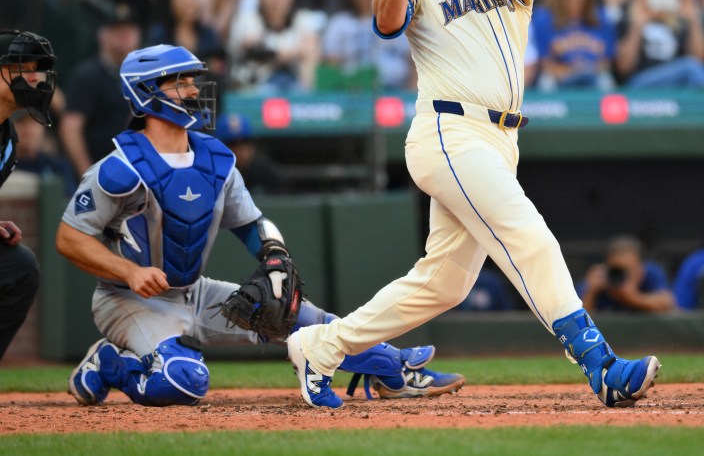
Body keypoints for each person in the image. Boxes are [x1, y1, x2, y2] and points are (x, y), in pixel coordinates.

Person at [284, 0, 661, 410]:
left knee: (445, 283)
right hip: (449, 132)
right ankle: (601, 366)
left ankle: (321, 347)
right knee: (528, 235)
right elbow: (386, 24)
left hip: (501, 139)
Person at [58, 43, 464, 406]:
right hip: (129, 301)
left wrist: (273, 256)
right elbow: (70, 238)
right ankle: (109, 363)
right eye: (178, 83)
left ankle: (397, 372)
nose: (194, 90)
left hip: (194, 291)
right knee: (183, 382)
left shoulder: (215, 160)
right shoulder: (119, 168)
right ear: (146, 93)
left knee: (305, 320)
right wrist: (128, 271)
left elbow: (252, 223)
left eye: (192, 81)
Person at [0, 30, 56, 361]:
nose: (35, 77)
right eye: (25, 66)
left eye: (38, 68)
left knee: (19, 267)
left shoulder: (7, 140)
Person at [59, 8, 142, 178]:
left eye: (130, 28)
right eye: (117, 29)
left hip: (139, 174)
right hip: (101, 170)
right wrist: (90, 175)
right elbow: (71, 128)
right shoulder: (87, 75)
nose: (125, 34)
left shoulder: (146, 75)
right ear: (103, 35)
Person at [578, 235, 676, 313]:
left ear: (640, 269)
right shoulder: (599, 280)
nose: (623, 275)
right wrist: (590, 293)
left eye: (629, 271)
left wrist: (633, 297)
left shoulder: (650, 273)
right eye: (618, 270)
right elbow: (576, 326)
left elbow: (668, 304)